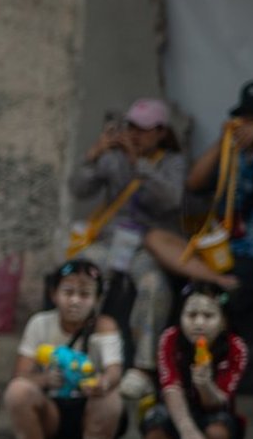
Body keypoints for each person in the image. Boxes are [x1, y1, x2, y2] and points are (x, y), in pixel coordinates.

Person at [67, 98, 185, 375]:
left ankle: (143, 367)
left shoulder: (172, 162)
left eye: (143, 129)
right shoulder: (113, 156)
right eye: (131, 126)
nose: (134, 133)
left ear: (161, 132)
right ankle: (76, 351)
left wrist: (140, 165)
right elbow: (78, 189)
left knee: (154, 286)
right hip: (110, 242)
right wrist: (93, 155)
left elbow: (171, 200)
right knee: (78, 274)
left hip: (148, 246)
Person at [143, 81, 253, 333]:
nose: (249, 126)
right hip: (223, 252)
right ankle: (220, 281)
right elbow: (194, 183)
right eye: (247, 118)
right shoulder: (234, 152)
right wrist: (223, 141)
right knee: (156, 238)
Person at [2, 256, 126, 439]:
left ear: (97, 299)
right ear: (54, 293)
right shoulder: (40, 323)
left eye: (85, 294)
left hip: (91, 412)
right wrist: (46, 379)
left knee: (110, 399)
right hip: (53, 413)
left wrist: (100, 383)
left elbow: (114, 372)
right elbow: (21, 374)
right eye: (68, 292)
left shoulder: (104, 326)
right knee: (18, 392)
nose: (75, 301)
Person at [124, 284, 248, 439]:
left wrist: (205, 385)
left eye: (208, 316)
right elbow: (171, 388)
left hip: (214, 415)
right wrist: (188, 431)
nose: (199, 323)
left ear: (223, 321)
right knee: (155, 418)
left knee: (218, 430)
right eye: (191, 315)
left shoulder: (235, 348)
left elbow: (218, 401)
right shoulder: (170, 339)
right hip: (179, 417)